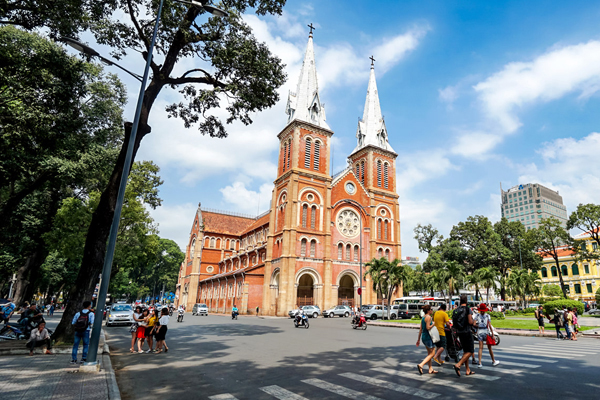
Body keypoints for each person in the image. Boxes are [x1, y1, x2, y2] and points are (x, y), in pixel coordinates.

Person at [453, 295, 476, 377]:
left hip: (459, 332)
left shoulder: (456, 310)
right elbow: (470, 322)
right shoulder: (467, 309)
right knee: (470, 351)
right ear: (466, 301)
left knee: (465, 351)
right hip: (467, 331)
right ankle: (458, 364)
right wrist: (474, 322)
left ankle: (467, 370)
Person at [473, 303, 500, 367]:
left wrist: (478, 326)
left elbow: (474, 324)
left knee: (480, 348)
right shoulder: (488, 316)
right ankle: (493, 361)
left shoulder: (477, 315)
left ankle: (479, 363)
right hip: (486, 332)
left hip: (479, 332)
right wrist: (492, 334)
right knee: (489, 348)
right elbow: (490, 326)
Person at [416, 305, 438, 375]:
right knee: (433, 353)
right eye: (431, 309)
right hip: (429, 337)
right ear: (428, 311)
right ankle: (421, 365)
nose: (432, 310)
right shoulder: (428, 317)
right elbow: (428, 327)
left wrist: (418, 339)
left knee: (429, 353)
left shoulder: (423, 318)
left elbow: (420, 329)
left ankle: (430, 369)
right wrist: (433, 324)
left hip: (424, 337)